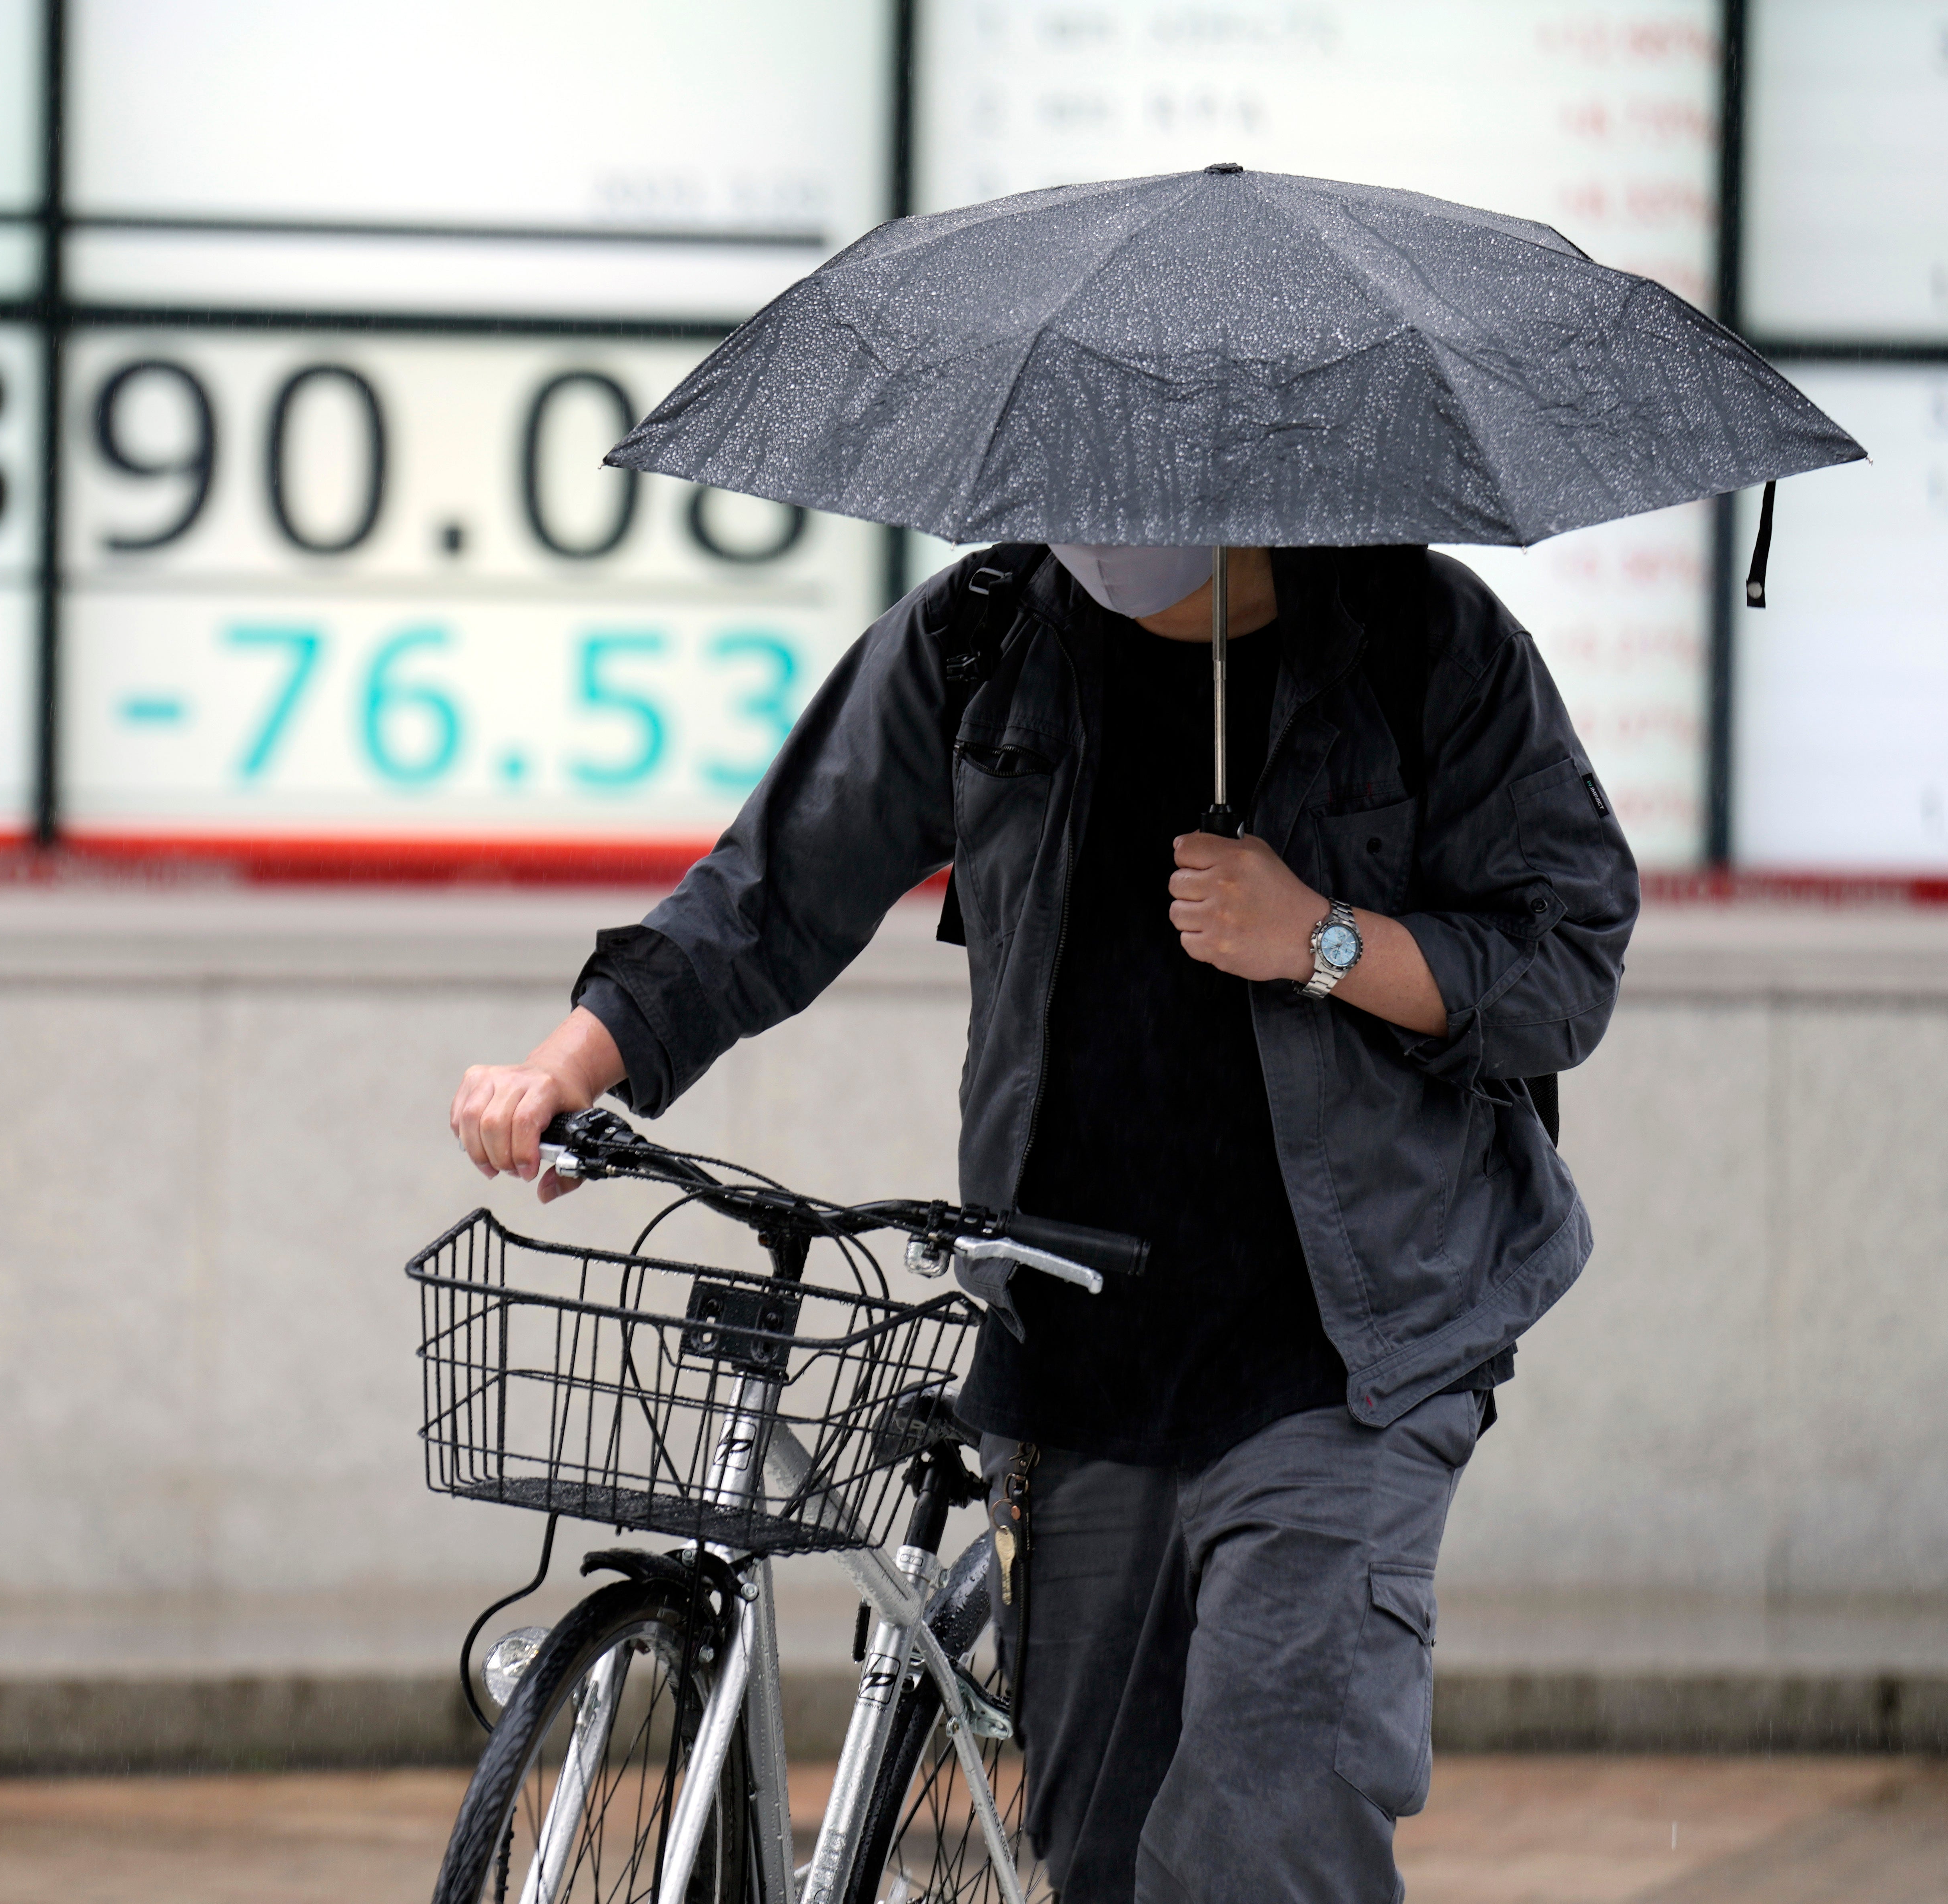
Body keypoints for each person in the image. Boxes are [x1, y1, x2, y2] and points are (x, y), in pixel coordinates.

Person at [450, 539, 1636, 1903]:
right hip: (1070, 1349)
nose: (1091, 516)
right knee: (1105, 1862)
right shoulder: (983, 634)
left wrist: (1320, 938)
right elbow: (771, 890)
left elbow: (1562, 967)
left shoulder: (1421, 637)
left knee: (1265, 1832)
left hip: (1342, 1352)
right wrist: (569, 1066)